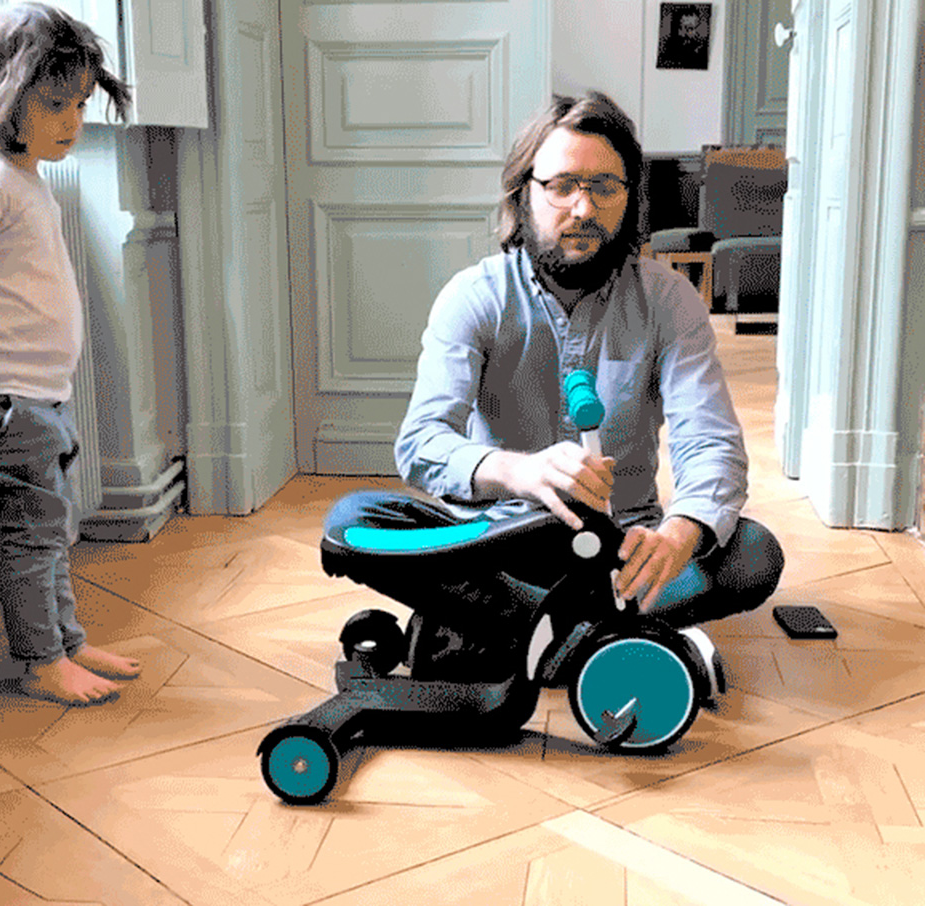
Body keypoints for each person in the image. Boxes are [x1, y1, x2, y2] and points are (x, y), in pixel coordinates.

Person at [325, 91, 783, 667]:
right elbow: (421, 444)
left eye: (605, 187)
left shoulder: (670, 301)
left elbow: (710, 442)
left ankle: (508, 632)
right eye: (562, 185)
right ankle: (593, 639)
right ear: (524, 193)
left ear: (629, 198)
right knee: (353, 521)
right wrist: (519, 471)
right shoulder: (474, 296)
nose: (583, 208)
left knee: (753, 553)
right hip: (492, 543)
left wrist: (680, 533)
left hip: (621, 550)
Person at [0, 3, 139, 705]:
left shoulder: (22, 177)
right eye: (55, 104)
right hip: (3, 402)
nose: (73, 121)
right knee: (34, 535)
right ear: (2, 95)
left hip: (37, 396)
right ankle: (40, 660)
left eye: (82, 103)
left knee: (51, 527)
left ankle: (65, 641)